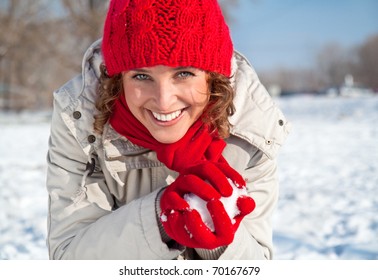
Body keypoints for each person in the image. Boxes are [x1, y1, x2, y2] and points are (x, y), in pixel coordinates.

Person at [46, 0, 290, 260]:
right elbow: (67, 257)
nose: (163, 101)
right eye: (141, 76)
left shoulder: (251, 131)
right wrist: (158, 223)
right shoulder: (81, 121)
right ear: (118, 79)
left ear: (211, 76)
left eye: (183, 73)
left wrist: (219, 242)